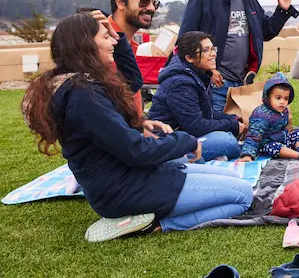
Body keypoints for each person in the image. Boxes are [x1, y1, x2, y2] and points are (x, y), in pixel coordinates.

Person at [22, 12, 253, 241]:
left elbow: (133, 80)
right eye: (106, 37)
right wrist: (186, 141)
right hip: (125, 191)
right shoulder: (83, 95)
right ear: (86, 44)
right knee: (243, 196)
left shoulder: (82, 85)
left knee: (237, 181)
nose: (113, 41)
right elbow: (137, 151)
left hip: (137, 177)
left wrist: (118, 36)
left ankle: (157, 209)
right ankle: (156, 224)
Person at [180, 0, 299, 113]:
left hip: (243, 83)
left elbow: (266, 32)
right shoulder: (202, 1)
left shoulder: (249, 1)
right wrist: (209, 71)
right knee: (220, 130)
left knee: (243, 130)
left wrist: (282, 10)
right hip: (215, 83)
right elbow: (185, 42)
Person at [149, 32, 246, 161]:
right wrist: (232, 126)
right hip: (167, 141)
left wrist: (235, 120)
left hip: (186, 135)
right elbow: (196, 126)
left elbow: (207, 114)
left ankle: (207, 157)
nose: (213, 54)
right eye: (206, 50)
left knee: (228, 136)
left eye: (213, 49)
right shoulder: (181, 83)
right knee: (227, 141)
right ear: (189, 58)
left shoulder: (198, 76)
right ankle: (187, 158)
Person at [108, 0, 161, 117]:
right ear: (120, 3)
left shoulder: (132, 47)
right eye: (144, 1)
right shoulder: (103, 43)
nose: (151, 8)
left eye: (154, 2)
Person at [239, 73, 299, 161]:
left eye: (286, 98)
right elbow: (253, 136)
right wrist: (247, 155)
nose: (282, 102)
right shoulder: (261, 115)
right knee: (274, 147)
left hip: (281, 139)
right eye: (278, 98)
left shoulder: (283, 110)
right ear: (268, 97)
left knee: (297, 133)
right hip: (265, 145)